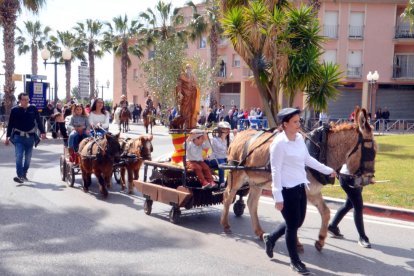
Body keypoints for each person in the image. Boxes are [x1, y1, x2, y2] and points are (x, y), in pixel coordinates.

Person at [263, 108, 336, 275]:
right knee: (292, 226)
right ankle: (295, 262)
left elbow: (308, 159)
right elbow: (276, 171)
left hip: (300, 187)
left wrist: (327, 170)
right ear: (285, 124)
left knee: (297, 222)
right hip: (287, 190)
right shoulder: (279, 144)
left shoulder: (299, 139)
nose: (299, 124)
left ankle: (271, 238)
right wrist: (277, 196)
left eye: (299, 121)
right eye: (295, 122)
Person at [327, 162, 373, 249]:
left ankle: (332, 227)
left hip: (357, 177)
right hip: (349, 178)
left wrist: (368, 178)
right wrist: (368, 178)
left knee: (349, 204)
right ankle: (362, 237)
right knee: (358, 207)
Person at [4, 92, 46, 183]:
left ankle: (24, 172)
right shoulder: (14, 110)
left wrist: (43, 132)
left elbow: (38, 121)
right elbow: (10, 124)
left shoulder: (33, 108)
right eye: (24, 99)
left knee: (28, 158)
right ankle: (20, 176)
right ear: (20, 100)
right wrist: (7, 137)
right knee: (19, 156)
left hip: (30, 137)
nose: (26, 101)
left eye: (27, 99)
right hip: (18, 137)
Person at [206, 121, 232, 187]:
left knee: (235, 163)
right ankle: (221, 182)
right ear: (220, 130)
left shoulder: (229, 140)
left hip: (224, 159)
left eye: (227, 129)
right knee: (222, 164)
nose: (226, 131)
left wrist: (235, 134)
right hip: (214, 159)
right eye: (224, 129)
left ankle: (232, 181)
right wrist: (223, 137)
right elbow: (220, 148)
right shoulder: (214, 140)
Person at [175, 64, 200, 129]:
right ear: (186, 69)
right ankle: (184, 126)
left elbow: (195, 85)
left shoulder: (192, 77)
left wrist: (195, 88)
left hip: (192, 97)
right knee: (185, 113)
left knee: (192, 111)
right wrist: (179, 93)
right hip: (185, 98)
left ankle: (191, 126)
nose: (189, 70)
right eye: (188, 68)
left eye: (190, 68)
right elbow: (179, 85)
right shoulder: (182, 76)